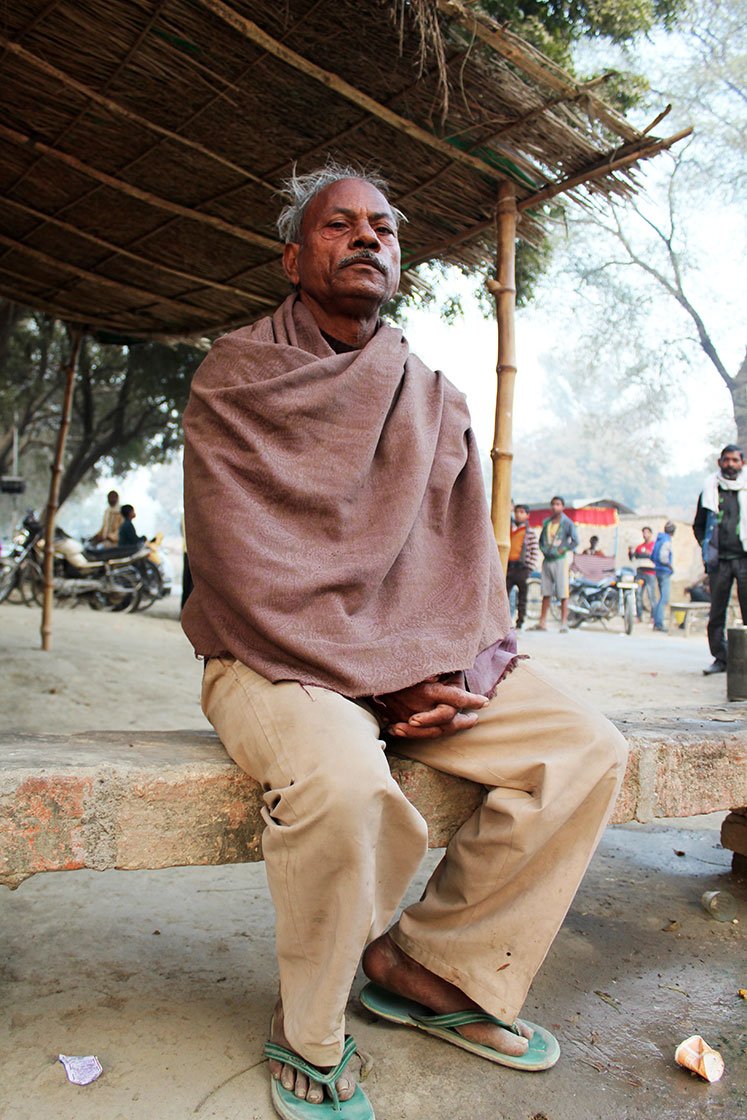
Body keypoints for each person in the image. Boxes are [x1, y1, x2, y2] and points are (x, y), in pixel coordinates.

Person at [182, 163, 627, 1120]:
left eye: (382, 226)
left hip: (409, 667)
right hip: (269, 657)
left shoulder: (430, 392)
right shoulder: (237, 374)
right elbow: (238, 566)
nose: (367, 238)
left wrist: (447, 667)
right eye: (339, 225)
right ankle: (310, 1028)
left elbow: (461, 565)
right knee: (346, 788)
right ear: (293, 254)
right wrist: (383, 688)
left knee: (584, 746)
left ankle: (431, 966)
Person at [693, 444, 747, 674]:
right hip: (719, 562)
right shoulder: (709, 492)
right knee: (717, 612)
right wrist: (709, 548)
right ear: (719, 462)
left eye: (735, 460)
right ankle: (721, 658)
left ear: (742, 463)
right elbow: (699, 526)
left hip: (744, 559)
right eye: (727, 460)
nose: (731, 464)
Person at [533, 496, 580, 633]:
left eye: (558, 504)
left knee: (562, 592)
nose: (555, 507)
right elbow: (541, 540)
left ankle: (564, 623)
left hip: (560, 560)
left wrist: (563, 549)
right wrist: (544, 550)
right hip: (547, 560)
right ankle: (542, 622)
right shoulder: (547, 522)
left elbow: (575, 541)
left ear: (562, 506)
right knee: (546, 592)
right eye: (553, 504)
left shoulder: (567, 523)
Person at [505, 503, 539, 629]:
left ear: (527, 515)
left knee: (522, 597)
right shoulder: (508, 529)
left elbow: (534, 551)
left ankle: (520, 621)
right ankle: (505, 621)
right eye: (517, 512)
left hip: (522, 569)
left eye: (522, 512)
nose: (518, 514)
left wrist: (529, 569)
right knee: (504, 595)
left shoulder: (529, 532)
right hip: (509, 567)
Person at [651, 520, 676, 632]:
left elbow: (652, 556)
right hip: (664, 572)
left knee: (660, 597)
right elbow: (663, 557)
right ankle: (659, 623)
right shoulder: (666, 541)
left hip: (658, 570)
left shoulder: (659, 539)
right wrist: (670, 566)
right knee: (664, 598)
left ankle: (656, 620)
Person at [628, 526, 656, 621]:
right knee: (638, 594)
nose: (645, 535)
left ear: (651, 534)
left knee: (651, 595)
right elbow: (633, 558)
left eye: (647, 532)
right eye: (644, 533)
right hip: (640, 573)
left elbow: (656, 557)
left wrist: (649, 553)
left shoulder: (654, 546)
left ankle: (653, 617)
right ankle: (639, 616)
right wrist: (630, 552)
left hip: (650, 573)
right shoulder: (639, 547)